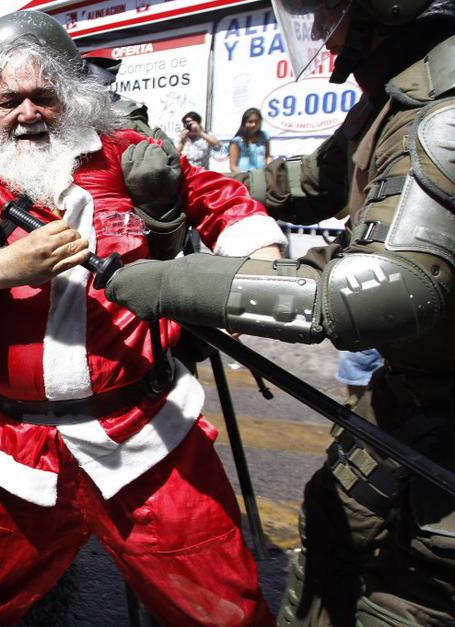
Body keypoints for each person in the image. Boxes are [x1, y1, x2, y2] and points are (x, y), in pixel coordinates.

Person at [0, 11, 286, 626]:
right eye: (8, 100)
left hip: (149, 441)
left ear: (70, 96)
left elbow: (219, 198)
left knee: (224, 614)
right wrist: (1, 267)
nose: (27, 114)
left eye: (43, 97)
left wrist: (260, 273)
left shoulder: (126, 155)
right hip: (11, 452)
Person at [105, 0, 455, 622]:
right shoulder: (399, 94)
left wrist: (175, 282)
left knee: (407, 598)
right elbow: (308, 182)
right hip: (411, 396)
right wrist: (190, 183)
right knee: (331, 539)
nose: (320, 26)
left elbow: (382, 293)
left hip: (444, 415)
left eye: (328, 8)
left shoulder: (443, 112)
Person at [228, 107, 271, 172]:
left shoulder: (264, 136)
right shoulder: (237, 141)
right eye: (250, 122)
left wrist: (269, 169)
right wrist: (244, 178)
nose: (254, 124)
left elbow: (268, 156)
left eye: (257, 122)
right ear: (244, 123)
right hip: (244, 178)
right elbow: (233, 166)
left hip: (262, 177)